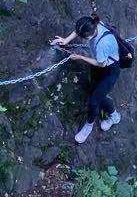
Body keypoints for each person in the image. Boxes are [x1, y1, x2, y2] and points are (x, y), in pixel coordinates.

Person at [51, 15, 122, 143]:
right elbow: (78, 30)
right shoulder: (91, 24)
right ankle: (114, 116)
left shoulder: (103, 43)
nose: (81, 37)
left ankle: (88, 126)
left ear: (90, 34)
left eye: (84, 37)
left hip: (110, 69)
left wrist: (81, 57)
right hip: (101, 65)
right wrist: (66, 40)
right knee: (98, 94)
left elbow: (101, 63)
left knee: (94, 100)